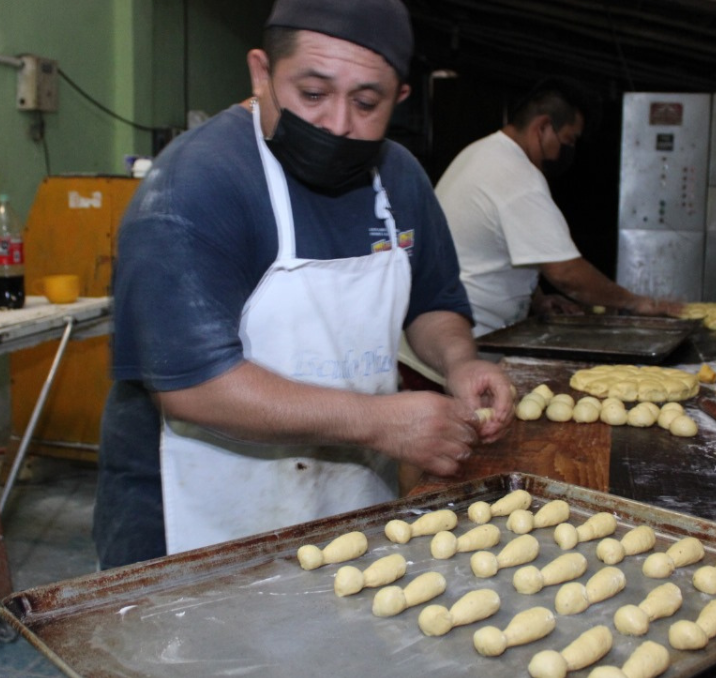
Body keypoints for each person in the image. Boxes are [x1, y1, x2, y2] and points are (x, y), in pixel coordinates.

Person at [94, 0, 514, 569]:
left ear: (400, 100)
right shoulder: (197, 184)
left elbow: (433, 302)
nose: (338, 124)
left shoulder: (399, 179)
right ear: (262, 74)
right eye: (312, 94)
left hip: (347, 505)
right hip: (195, 522)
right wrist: (380, 422)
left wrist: (460, 362)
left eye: (367, 103)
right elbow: (194, 386)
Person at [436, 78, 682, 337]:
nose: (568, 151)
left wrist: (537, 299)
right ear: (542, 127)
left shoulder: (482, 153)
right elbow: (565, 272)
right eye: (569, 140)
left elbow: (497, 250)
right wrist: (636, 302)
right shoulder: (517, 176)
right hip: (457, 343)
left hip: (448, 333)